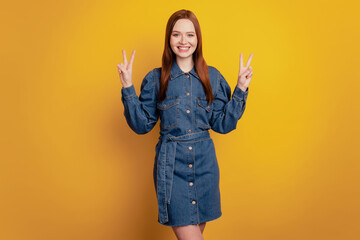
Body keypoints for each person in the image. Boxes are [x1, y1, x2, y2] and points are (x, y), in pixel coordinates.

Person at [117, 9, 253, 240]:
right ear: (168, 39)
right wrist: (128, 87)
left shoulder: (214, 77)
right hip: (172, 168)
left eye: (190, 35)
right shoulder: (155, 78)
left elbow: (222, 124)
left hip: (205, 166)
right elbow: (142, 125)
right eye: (176, 34)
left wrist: (240, 89)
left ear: (198, 39)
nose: (183, 41)